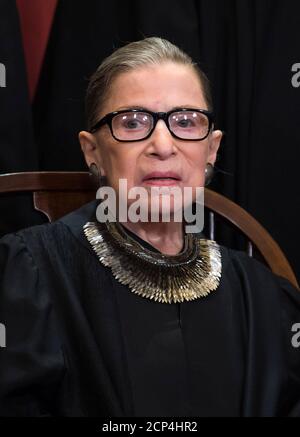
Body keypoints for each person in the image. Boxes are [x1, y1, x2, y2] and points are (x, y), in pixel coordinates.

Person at [0, 37, 300, 417]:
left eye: (186, 122)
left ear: (211, 150)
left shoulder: (261, 295)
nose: (163, 144)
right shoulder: (31, 275)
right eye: (132, 122)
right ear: (93, 151)